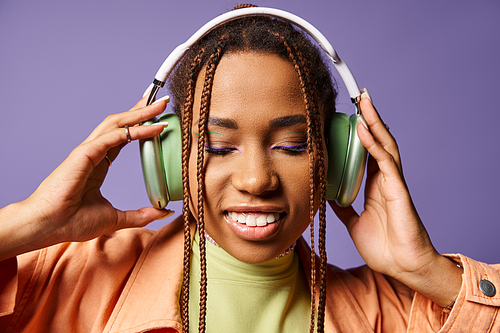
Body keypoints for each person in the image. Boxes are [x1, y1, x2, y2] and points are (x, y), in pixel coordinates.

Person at [0, 5, 499, 333]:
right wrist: (28, 224)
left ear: (337, 159)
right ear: (168, 160)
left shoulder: (389, 314)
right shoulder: (64, 279)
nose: (256, 179)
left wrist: (426, 271)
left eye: (293, 144)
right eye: (218, 146)